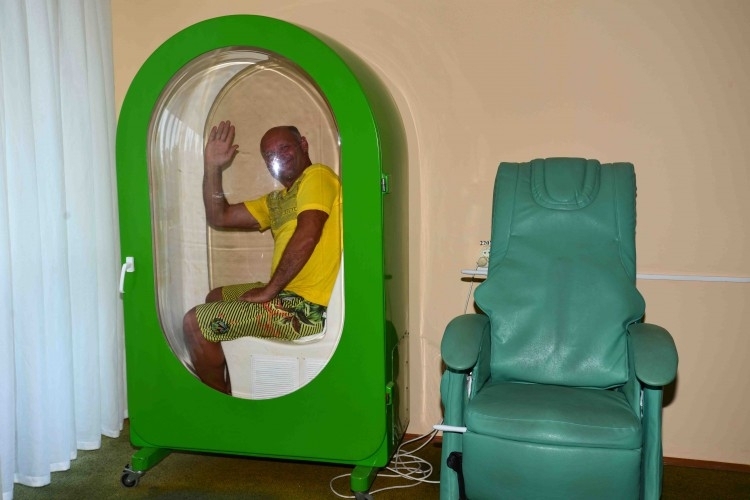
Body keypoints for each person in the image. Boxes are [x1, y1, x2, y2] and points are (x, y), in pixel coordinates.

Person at [183, 121, 342, 394]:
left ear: (303, 145)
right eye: (270, 155)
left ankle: (223, 405)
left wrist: (269, 290)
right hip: (286, 295)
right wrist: (212, 166)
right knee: (215, 297)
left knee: (196, 324)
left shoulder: (317, 177)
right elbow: (219, 216)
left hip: (307, 308)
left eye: (284, 147)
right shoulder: (277, 200)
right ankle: (237, 387)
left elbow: (308, 234)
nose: (278, 156)